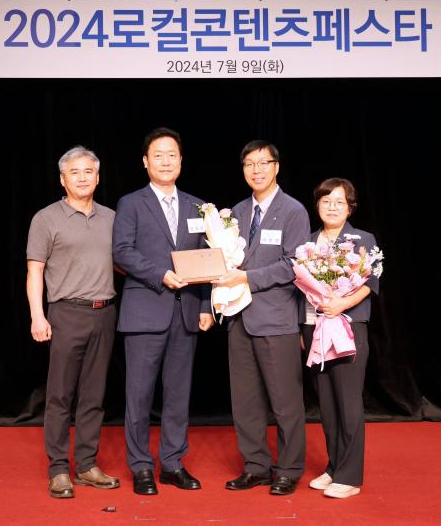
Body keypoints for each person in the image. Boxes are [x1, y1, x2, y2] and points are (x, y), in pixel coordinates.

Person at [113, 127, 214, 495]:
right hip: (145, 311)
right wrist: (160, 274)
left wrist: (205, 304)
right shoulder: (131, 203)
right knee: (139, 395)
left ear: (181, 161)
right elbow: (121, 251)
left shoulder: (198, 206)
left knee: (177, 395)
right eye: (158, 155)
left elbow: (207, 257)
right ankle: (141, 466)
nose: (166, 161)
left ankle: (172, 463)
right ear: (145, 162)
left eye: (172, 155)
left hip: (186, 313)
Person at [215, 140, 311, 496]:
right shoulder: (236, 212)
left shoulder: (293, 211)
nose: (256, 170)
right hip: (238, 317)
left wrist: (246, 278)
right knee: (245, 401)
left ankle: (289, 468)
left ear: (276, 167)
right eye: (249, 164)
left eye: (263, 163)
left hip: (277, 319)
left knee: (285, 402)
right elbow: (225, 257)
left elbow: (293, 264)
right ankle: (255, 466)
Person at [26, 146, 119, 499]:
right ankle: (58, 469)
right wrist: (37, 315)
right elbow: (35, 270)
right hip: (66, 313)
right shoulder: (46, 218)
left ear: (98, 177)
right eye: (74, 172)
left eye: (88, 171)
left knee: (94, 395)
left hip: (105, 312)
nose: (82, 178)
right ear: (63, 179)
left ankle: (86, 465)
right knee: (60, 396)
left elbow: (124, 261)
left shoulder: (111, 217)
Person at [301, 177, 380, 499]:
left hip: (347, 325)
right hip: (315, 328)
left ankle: (349, 477)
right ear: (317, 205)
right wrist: (302, 330)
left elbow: (370, 283)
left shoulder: (362, 239)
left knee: (348, 403)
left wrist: (341, 304)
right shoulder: (307, 242)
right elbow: (300, 291)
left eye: (339, 202)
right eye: (326, 201)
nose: (332, 207)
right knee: (328, 404)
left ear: (350, 208)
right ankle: (334, 467)